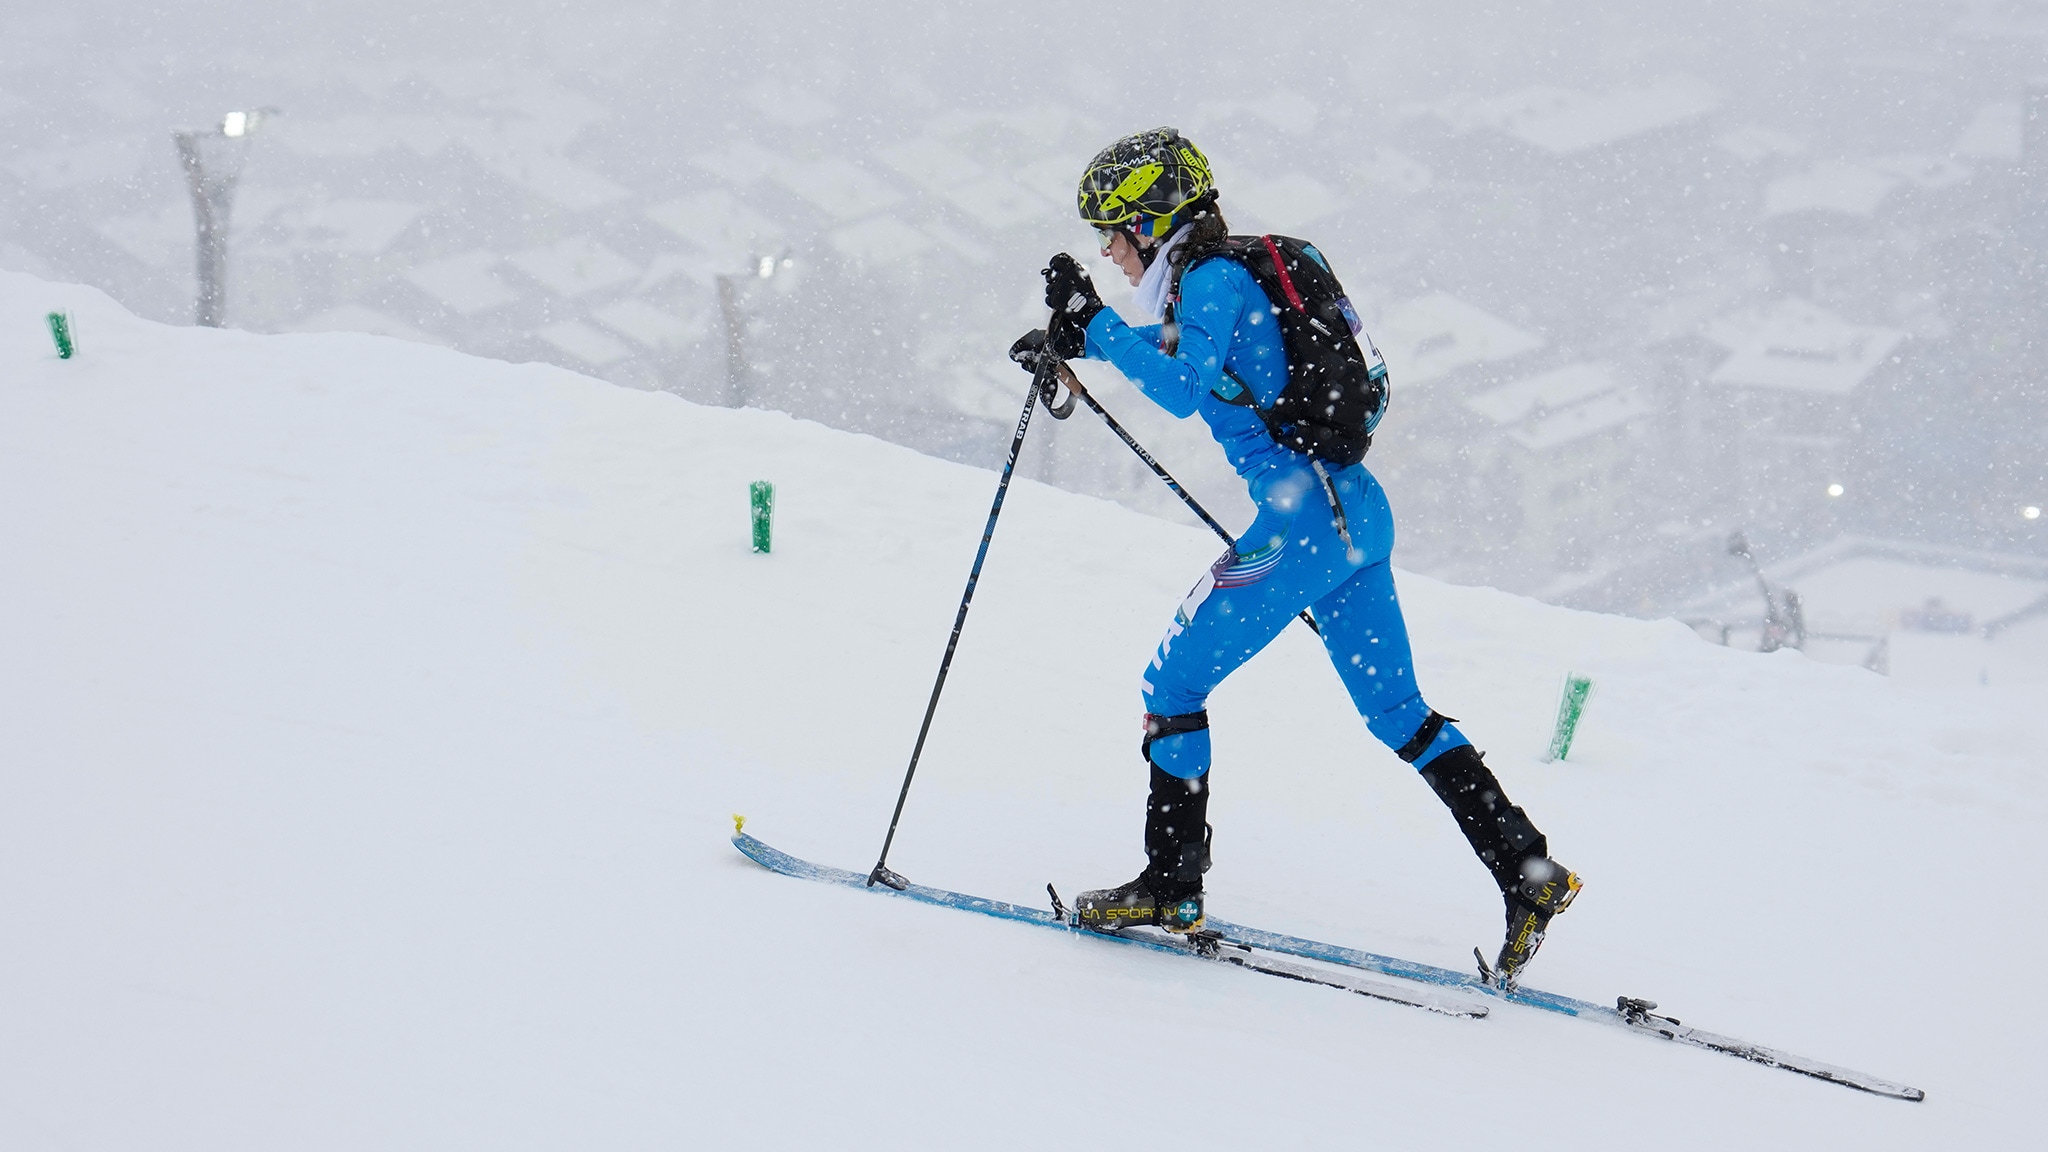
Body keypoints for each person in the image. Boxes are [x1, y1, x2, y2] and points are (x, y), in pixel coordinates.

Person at [1010, 127, 1580, 988]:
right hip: (1355, 512)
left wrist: (1093, 321)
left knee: (1172, 686)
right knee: (1400, 714)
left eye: (1112, 231)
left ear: (1152, 221)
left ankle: (1172, 885)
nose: (1107, 252)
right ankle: (1528, 872)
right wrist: (1080, 342)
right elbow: (1195, 360)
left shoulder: (1210, 278)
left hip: (1303, 522)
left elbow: (1181, 384)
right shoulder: (1226, 277)